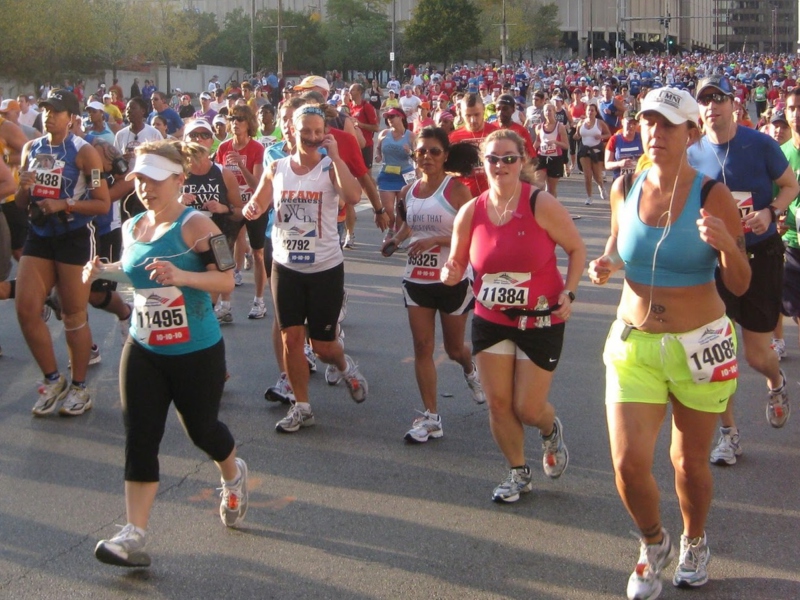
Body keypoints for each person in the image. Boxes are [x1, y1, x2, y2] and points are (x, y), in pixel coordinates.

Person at [588, 87, 750, 600]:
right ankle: (653, 542)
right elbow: (618, 245)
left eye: (668, 125)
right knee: (628, 463)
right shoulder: (623, 187)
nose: (655, 133)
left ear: (691, 134)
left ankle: (695, 540)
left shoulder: (712, 195)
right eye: (647, 123)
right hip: (634, 342)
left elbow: (741, 282)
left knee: (689, 462)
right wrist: (607, 263)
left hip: (699, 343)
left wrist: (727, 246)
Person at [86, 140, 248, 568]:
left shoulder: (199, 227)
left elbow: (227, 281)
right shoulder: (133, 225)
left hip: (196, 351)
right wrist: (104, 271)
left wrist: (183, 277)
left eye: (155, 180)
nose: (145, 188)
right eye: (139, 179)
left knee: (202, 431)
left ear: (179, 179)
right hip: (144, 347)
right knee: (140, 435)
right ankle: (133, 534)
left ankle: (232, 473)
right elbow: (136, 275)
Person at [441, 129, 584, 503]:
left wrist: (569, 292)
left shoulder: (540, 203)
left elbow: (576, 248)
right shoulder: (471, 211)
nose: (500, 165)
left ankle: (550, 430)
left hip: (541, 318)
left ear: (522, 162)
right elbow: (456, 260)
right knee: (500, 404)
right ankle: (518, 472)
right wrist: (451, 272)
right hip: (493, 318)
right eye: (493, 158)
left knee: (528, 407)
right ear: (482, 164)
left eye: (509, 158)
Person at [688, 75, 799, 465]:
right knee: (717, 353)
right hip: (712, 261)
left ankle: (776, 381)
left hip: (759, 256)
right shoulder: (693, 153)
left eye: (719, 99)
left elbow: (790, 185)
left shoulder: (760, 143)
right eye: (705, 101)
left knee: (756, 355)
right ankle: (729, 434)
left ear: (734, 104)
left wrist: (771, 212)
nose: (712, 107)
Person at [243, 104, 369, 433]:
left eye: (317, 131)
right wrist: (252, 208)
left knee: (323, 346)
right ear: (293, 132)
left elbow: (353, 196)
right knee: (291, 340)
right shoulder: (278, 167)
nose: (312, 137)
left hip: (325, 267)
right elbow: (259, 202)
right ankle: (302, 406)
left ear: (324, 132)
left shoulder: (330, 169)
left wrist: (337, 157)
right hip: (285, 266)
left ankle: (344, 365)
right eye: (306, 132)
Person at [382, 127, 485, 443]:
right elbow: (407, 229)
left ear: (446, 156)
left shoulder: (457, 191)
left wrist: (436, 241)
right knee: (422, 347)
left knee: (454, 349)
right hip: (416, 279)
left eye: (434, 151)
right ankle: (430, 417)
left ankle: (470, 369)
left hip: (452, 278)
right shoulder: (408, 191)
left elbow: (473, 235)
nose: (426, 157)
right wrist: (393, 241)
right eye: (421, 151)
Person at [14, 89, 110, 416]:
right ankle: (53, 380)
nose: (48, 116)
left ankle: (80, 387)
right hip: (40, 234)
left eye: (56, 111)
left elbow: (102, 203)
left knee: (73, 315)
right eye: (44, 110)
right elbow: (20, 203)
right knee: (26, 308)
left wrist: (65, 203)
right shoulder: (32, 148)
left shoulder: (85, 153)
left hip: (74, 236)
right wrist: (23, 188)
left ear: (71, 117)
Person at [215, 105, 265, 320]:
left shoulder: (256, 148)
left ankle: (259, 301)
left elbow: (258, 184)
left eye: (241, 119)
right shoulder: (224, 147)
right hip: (232, 207)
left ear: (249, 124)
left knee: (258, 253)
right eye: (233, 119)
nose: (235, 123)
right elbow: (218, 180)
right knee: (224, 255)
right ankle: (225, 305)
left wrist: (241, 166)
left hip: (253, 206)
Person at [774, 88, 800, 360]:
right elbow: (773, 197)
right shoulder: (779, 154)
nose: (797, 114)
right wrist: (777, 217)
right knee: (791, 304)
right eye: (792, 108)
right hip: (791, 241)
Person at [375, 108, 415, 238]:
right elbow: (378, 149)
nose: (390, 119)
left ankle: (397, 233)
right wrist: (378, 156)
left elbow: (419, 158)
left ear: (401, 117)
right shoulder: (384, 134)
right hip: (387, 175)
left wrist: (410, 152)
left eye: (392, 116)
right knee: (388, 210)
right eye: (388, 117)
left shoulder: (410, 136)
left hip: (405, 176)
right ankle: (392, 229)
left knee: (401, 209)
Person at [449, 93, 498, 197]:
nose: (473, 120)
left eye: (476, 114)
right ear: (461, 113)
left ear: (483, 110)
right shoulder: (454, 138)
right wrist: (459, 172)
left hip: (494, 196)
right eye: (468, 115)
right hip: (465, 198)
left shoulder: (496, 133)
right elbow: (444, 170)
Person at [575, 102, 611, 205]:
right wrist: (574, 135)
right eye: (588, 110)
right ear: (585, 112)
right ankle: (589, 197)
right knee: (587, 175)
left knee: (597, 175)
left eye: (592, 110)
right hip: (584, 151)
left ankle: (601, 187)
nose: (590, 112)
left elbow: (608, 134)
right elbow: (577, 135)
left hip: (596, 151)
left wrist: (601, 137)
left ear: (595, 112)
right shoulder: (581, 123)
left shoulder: (599, 123)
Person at [532, 103, 569, 197]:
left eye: (550, 110)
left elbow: (566, 146)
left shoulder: (560, 127)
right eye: (546, 110)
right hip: (542, 157)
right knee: (538, 184)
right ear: (543, 113)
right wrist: (530, 151)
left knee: (551, 189)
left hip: (555, 159)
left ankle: (551, 208)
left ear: (554, 111)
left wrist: (555, 142)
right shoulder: (539, 127)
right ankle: (539, 205)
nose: (548, 112)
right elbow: (537, 142)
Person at [605, 109, 644, 180]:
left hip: (638, 180)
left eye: (634, 123)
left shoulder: (642, 138)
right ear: (622, 122)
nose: (631, 126)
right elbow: (607, 164)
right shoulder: (614, 139)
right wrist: (620, 163)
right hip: (620, 181)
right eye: (629, 123)